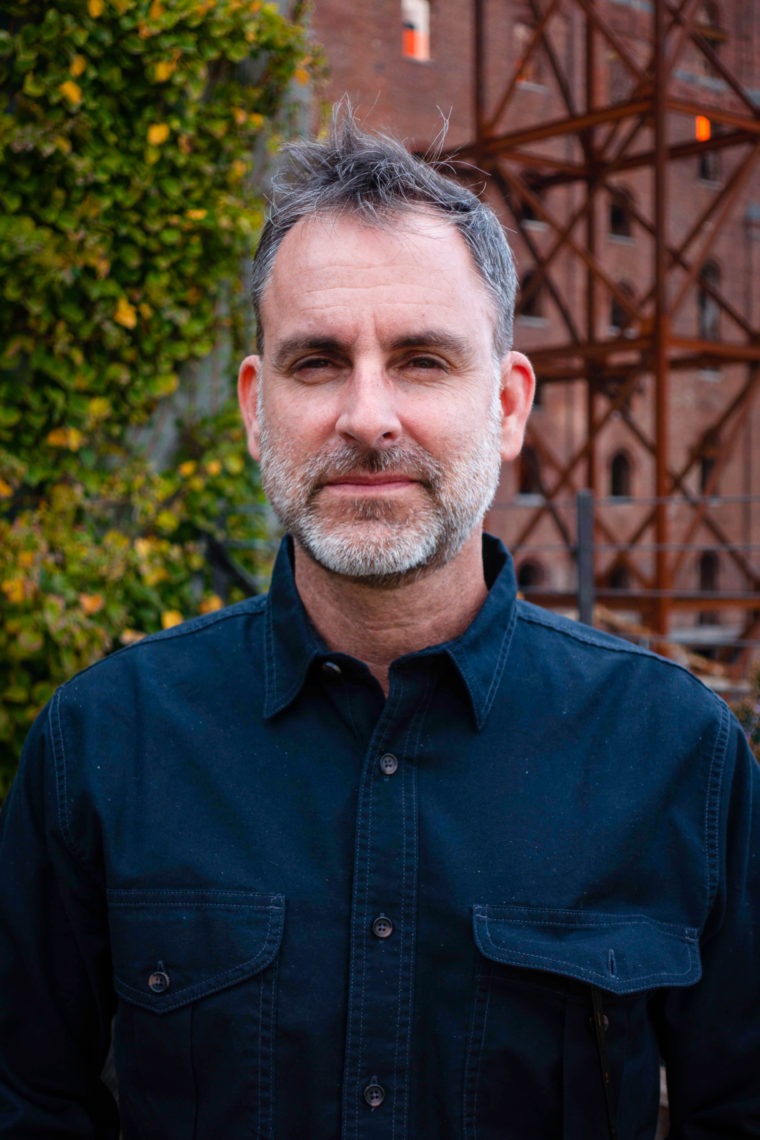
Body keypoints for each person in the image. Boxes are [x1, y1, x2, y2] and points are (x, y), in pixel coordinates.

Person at [1, 106, 758, 1140]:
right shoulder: (102, 746)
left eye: (422, 360)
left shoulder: (676, 754)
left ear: (506, 403)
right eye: (318, 362)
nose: (367, 417)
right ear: (256, 407)